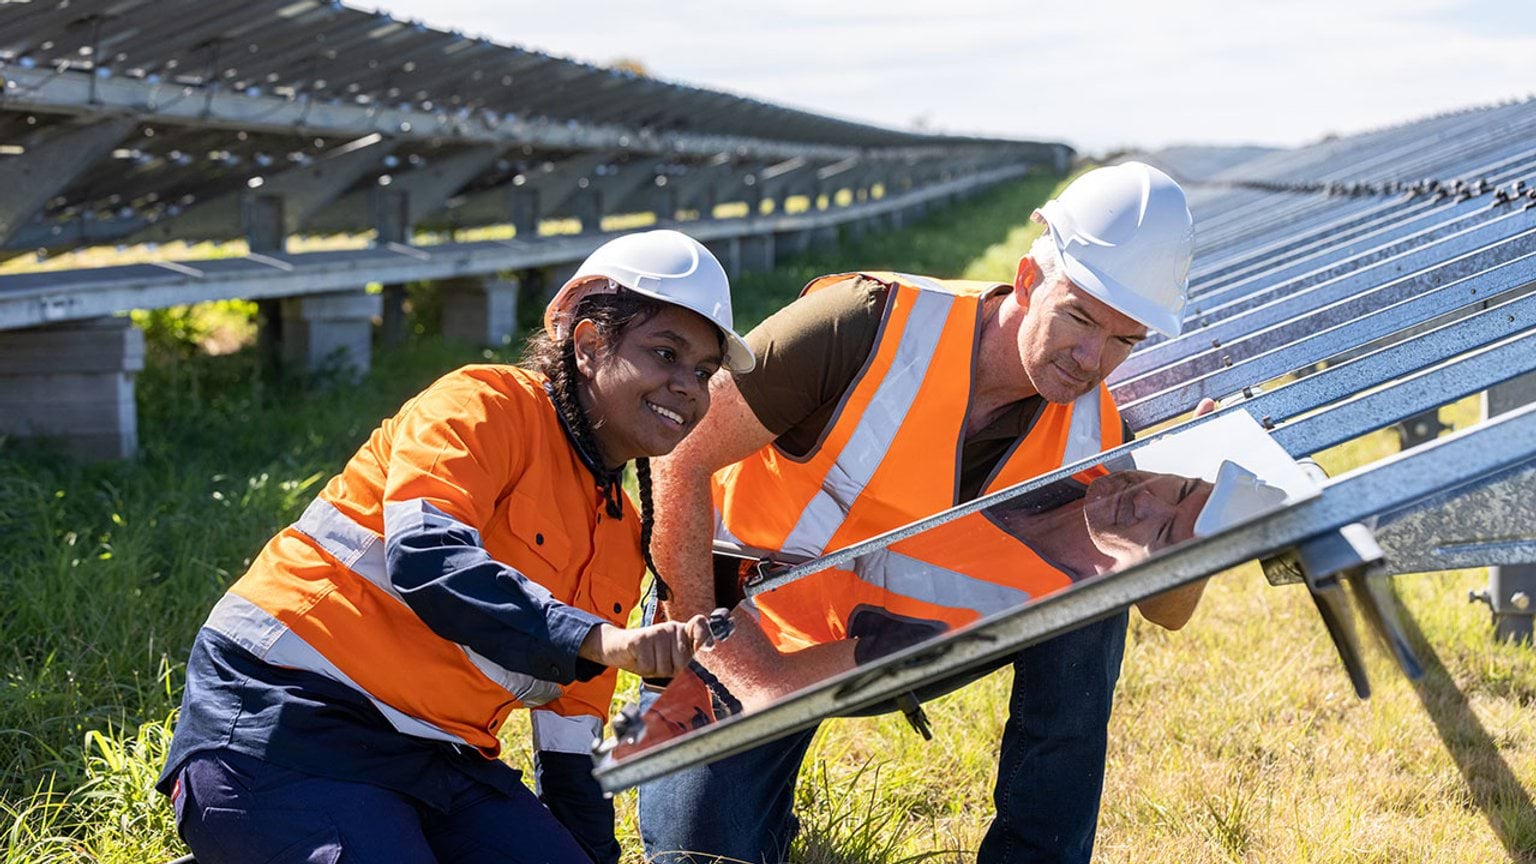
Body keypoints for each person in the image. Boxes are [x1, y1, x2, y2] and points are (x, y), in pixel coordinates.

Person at [638, 162, 1214, 864]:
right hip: (748, 624)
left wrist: (1204, 499)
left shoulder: (1097, 432)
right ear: (1029, 281)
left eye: (1124, 341)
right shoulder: (861, 323)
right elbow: (677, 460)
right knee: (701, 856)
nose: (1092, 358)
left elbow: (1169, 610)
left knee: (1098, 596)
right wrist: (710, 647)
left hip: (892, 644)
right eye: (1079, 317)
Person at [155, 229, 755, 864]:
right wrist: (598, 641)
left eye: (702, 371)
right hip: (286, 721)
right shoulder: (483, 405)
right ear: (588, 343)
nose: (688, 385)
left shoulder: (618, 530)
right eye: (665, 353)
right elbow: (428, 558)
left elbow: (572, 744)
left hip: (441, 758)